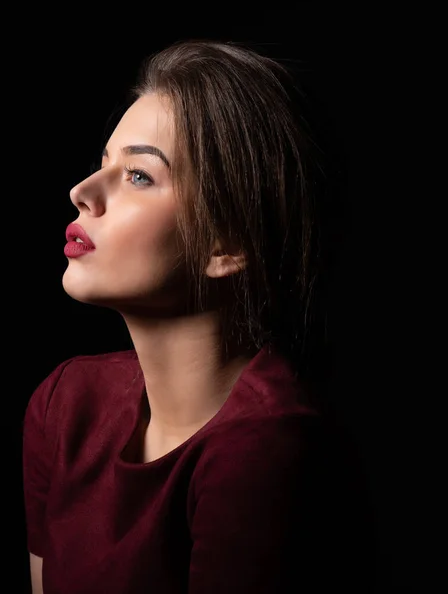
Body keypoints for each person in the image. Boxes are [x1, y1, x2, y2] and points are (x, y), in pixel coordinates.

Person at [23, 39, 374, 593]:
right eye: (102, 164)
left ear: (225, 247)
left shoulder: (265, 449)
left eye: (138, 176)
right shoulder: (65, 405)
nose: (82, 193)